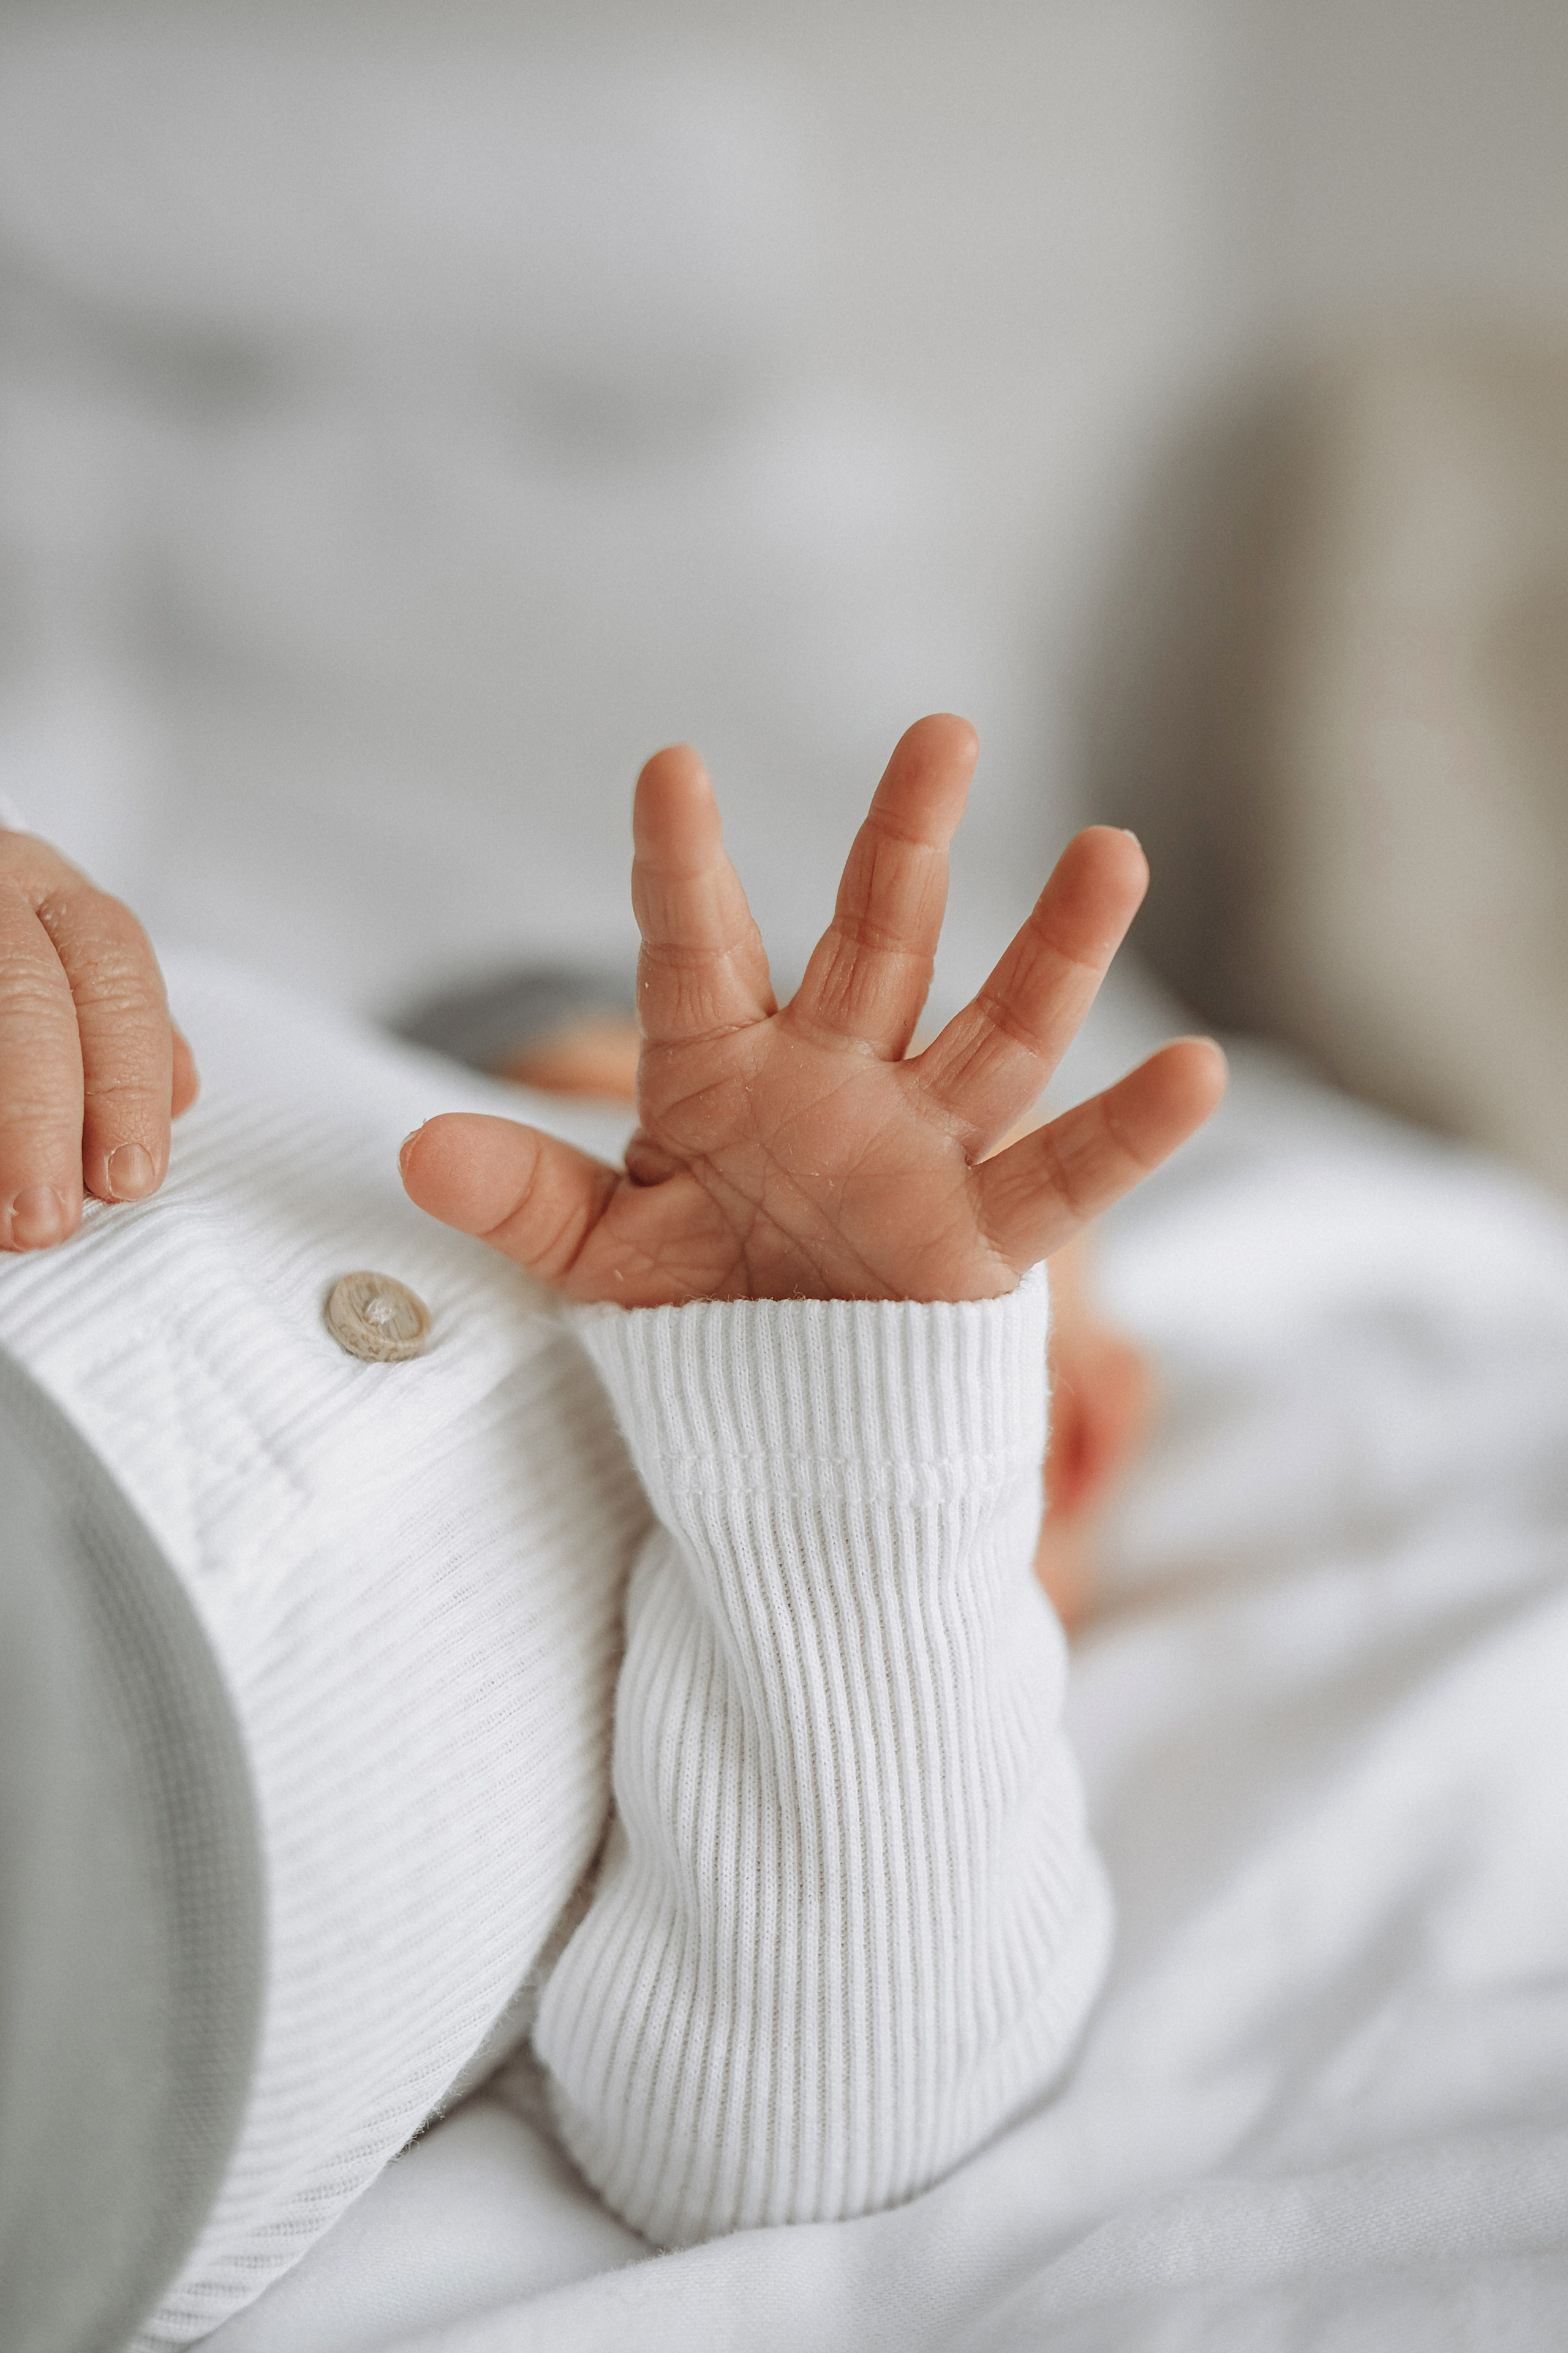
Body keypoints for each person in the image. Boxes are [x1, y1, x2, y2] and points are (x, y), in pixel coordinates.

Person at [0, 716, 1224, 2351]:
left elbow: (810, 2126)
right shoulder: (237, 1034)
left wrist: (878, 1454)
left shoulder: (761, 1705)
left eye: (1005, 1377)